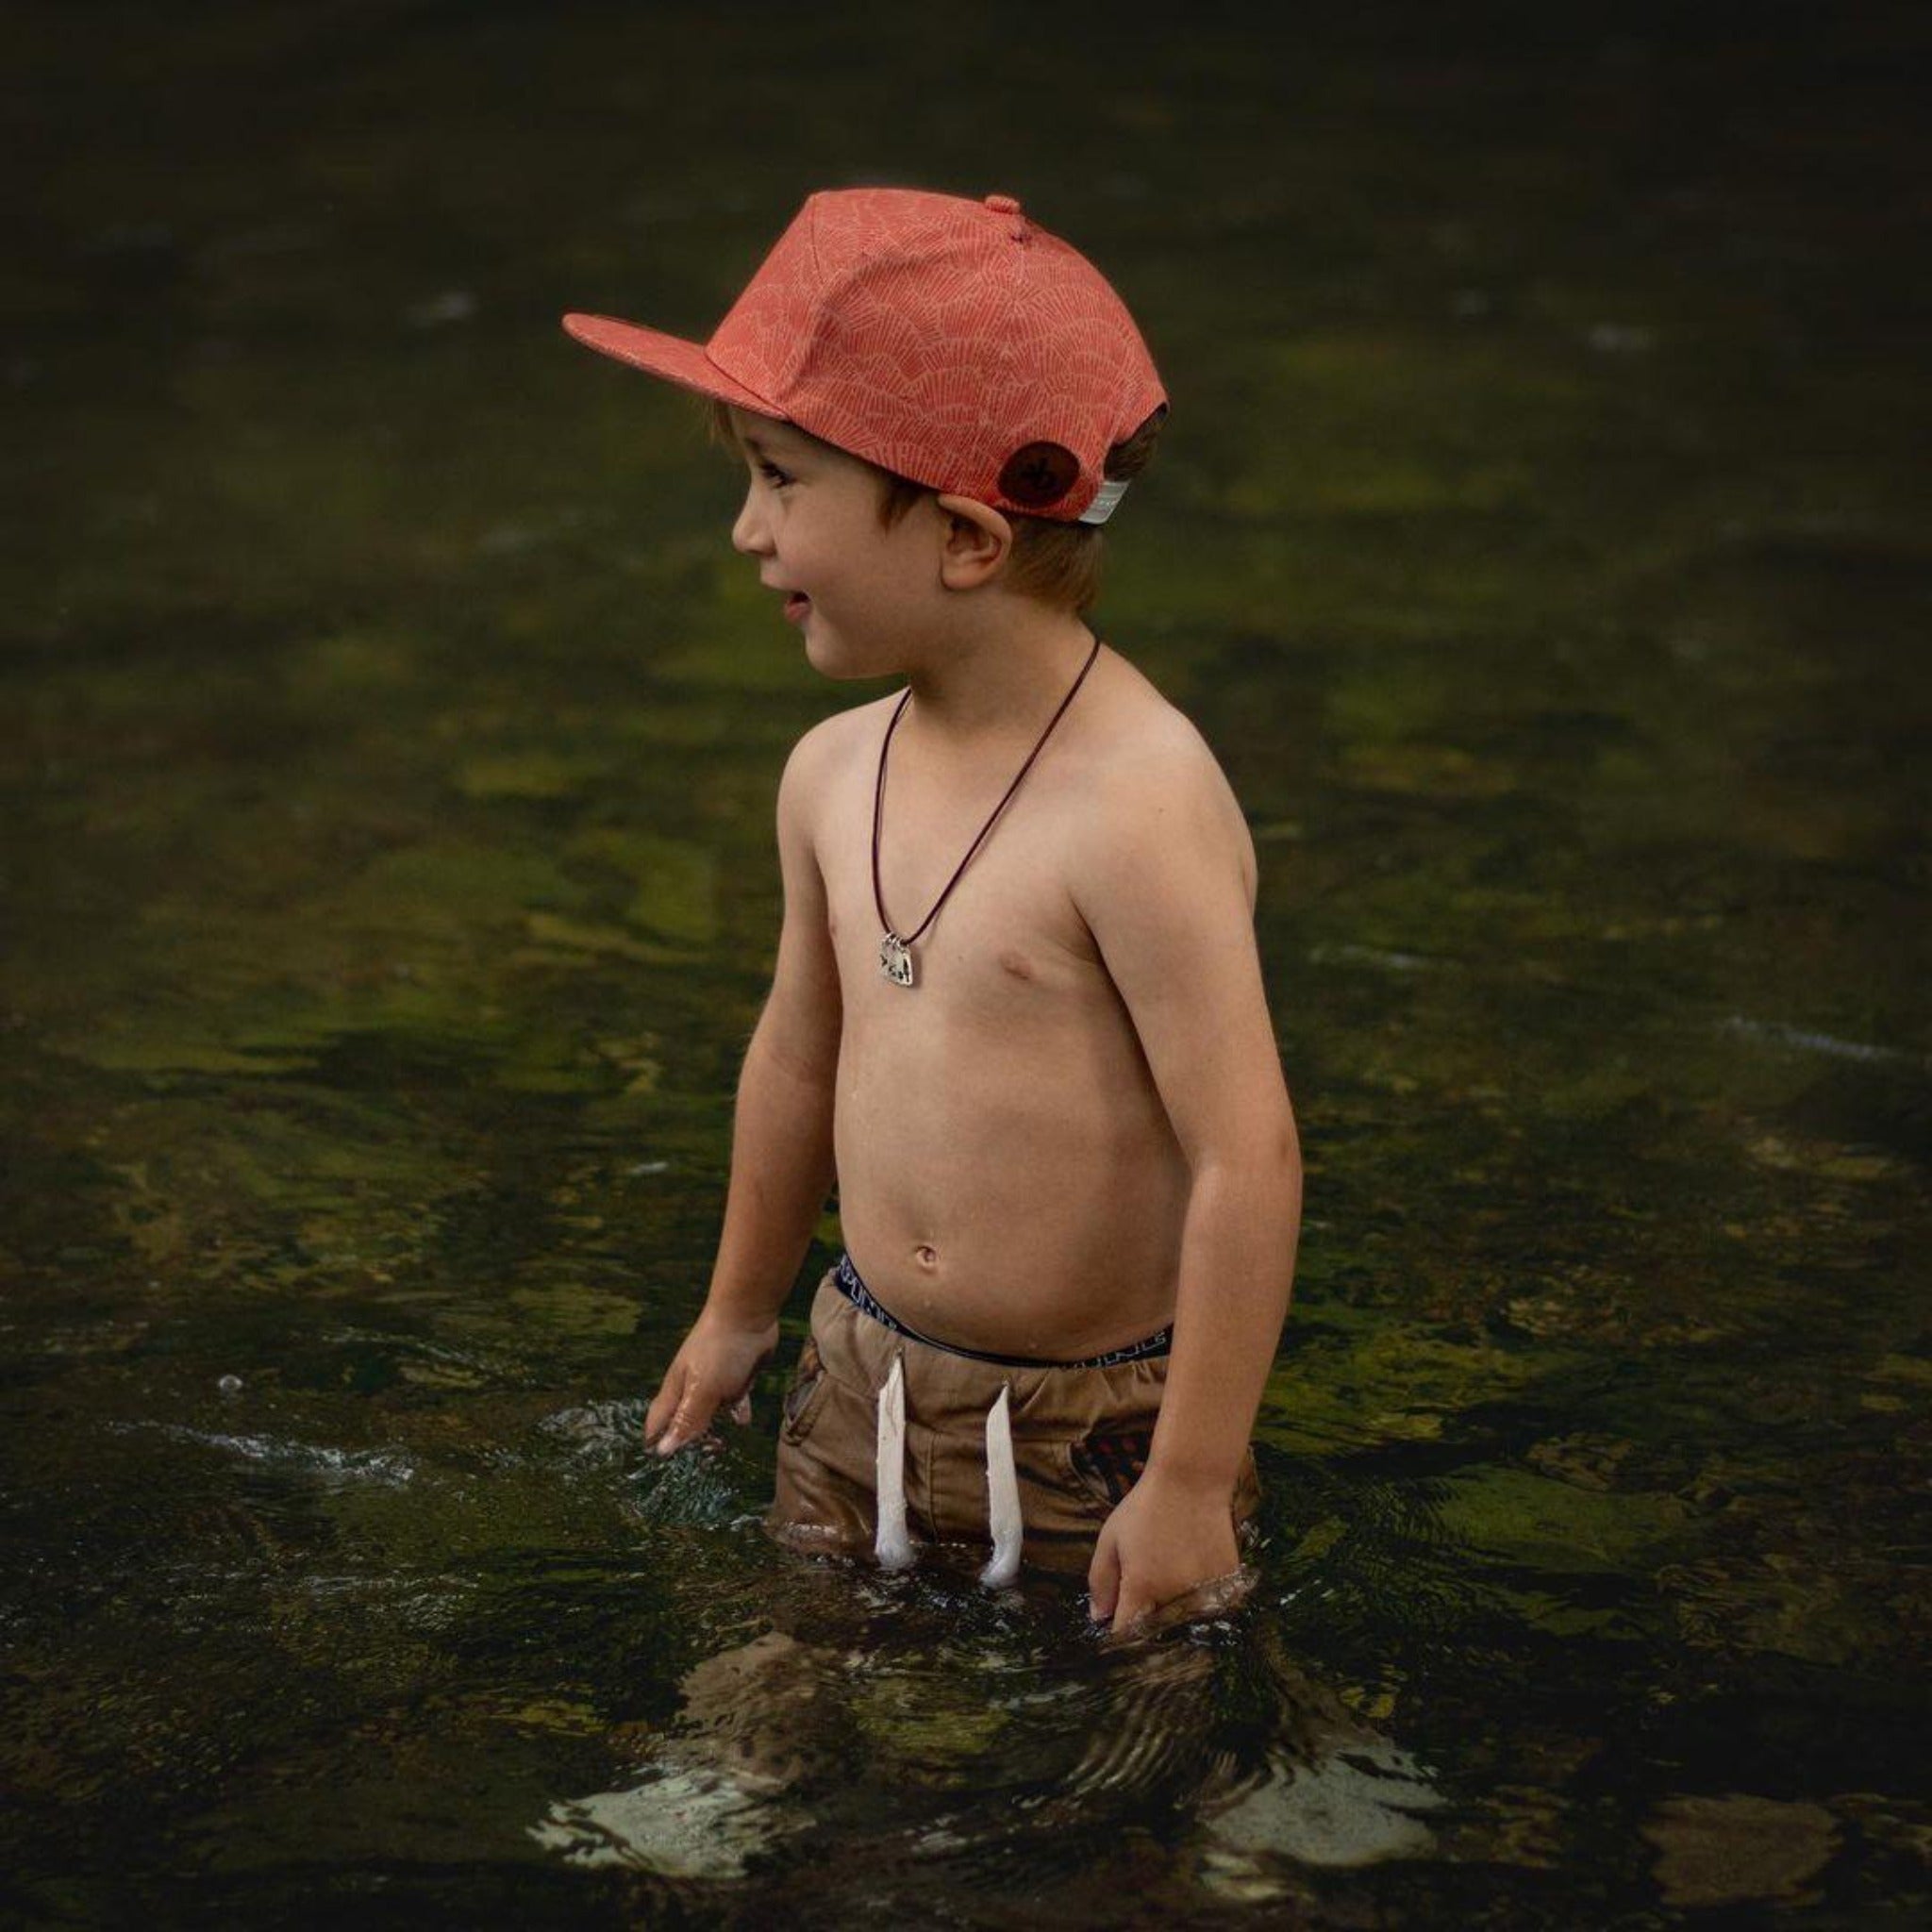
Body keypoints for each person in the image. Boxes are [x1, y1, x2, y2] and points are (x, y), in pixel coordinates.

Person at [561, 185, 1302, 1641]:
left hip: (1103, 1425)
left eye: (780, 480)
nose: (742, 532)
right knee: (794, 1635)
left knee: (1153, 1682)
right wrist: (737, 1314)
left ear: (965, 536)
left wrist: (1196, 1478)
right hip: (862, 1375)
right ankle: (737, 1798)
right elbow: (794, 1059)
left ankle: (1244, 1841)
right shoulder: (830, 774)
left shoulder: (1137, 804)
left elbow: (1247, 1155)